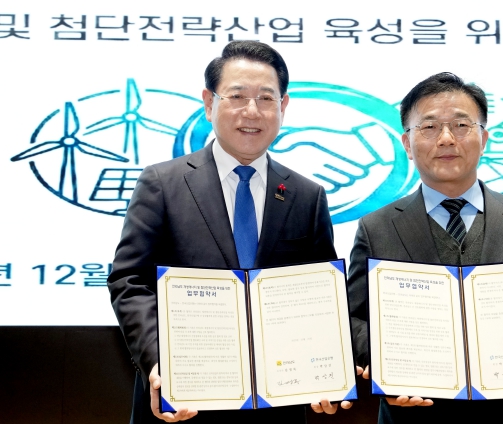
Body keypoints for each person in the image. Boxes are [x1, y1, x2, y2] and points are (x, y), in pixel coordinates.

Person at [108, 40, 347, 423]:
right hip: (184, 401)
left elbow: (320, 295)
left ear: (283, 107)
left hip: (277, 406)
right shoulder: (162, 183)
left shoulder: (307, 196)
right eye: (236, 96)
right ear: (209, 103)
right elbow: (130, 281)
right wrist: (160, 363)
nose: (252, 111)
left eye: (266, 98)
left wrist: (328, 371)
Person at [347, 72, 503, 424]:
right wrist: (385, 365)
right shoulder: (377, 227)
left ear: (484, 138)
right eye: (429, 127)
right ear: (407, 144)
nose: (446, 138)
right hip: (413, 416)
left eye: (461, 125)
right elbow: (354, 317)